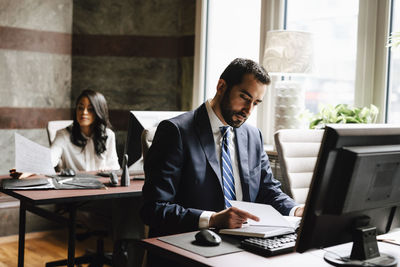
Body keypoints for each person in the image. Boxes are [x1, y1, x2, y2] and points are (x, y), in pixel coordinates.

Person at [141, 58, 303, 240]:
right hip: (192, 241)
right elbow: (154, 208)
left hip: (244, 241)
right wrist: (213, 219)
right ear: (221, 87)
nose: (248, 111)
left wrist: (297, 210)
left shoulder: (252, 136)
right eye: (244, 97)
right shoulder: (176, 132)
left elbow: (268, 190)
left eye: (256, 103)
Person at [51, 89, 120, 171]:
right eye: (80, 108)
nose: (84, 112)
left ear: (98, 112)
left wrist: (108, 170)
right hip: (72, 183)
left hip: (100, 182)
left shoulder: (108, 135)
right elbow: (50, 159)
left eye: (90, 109)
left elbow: (114, 167)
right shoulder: (63, 135)